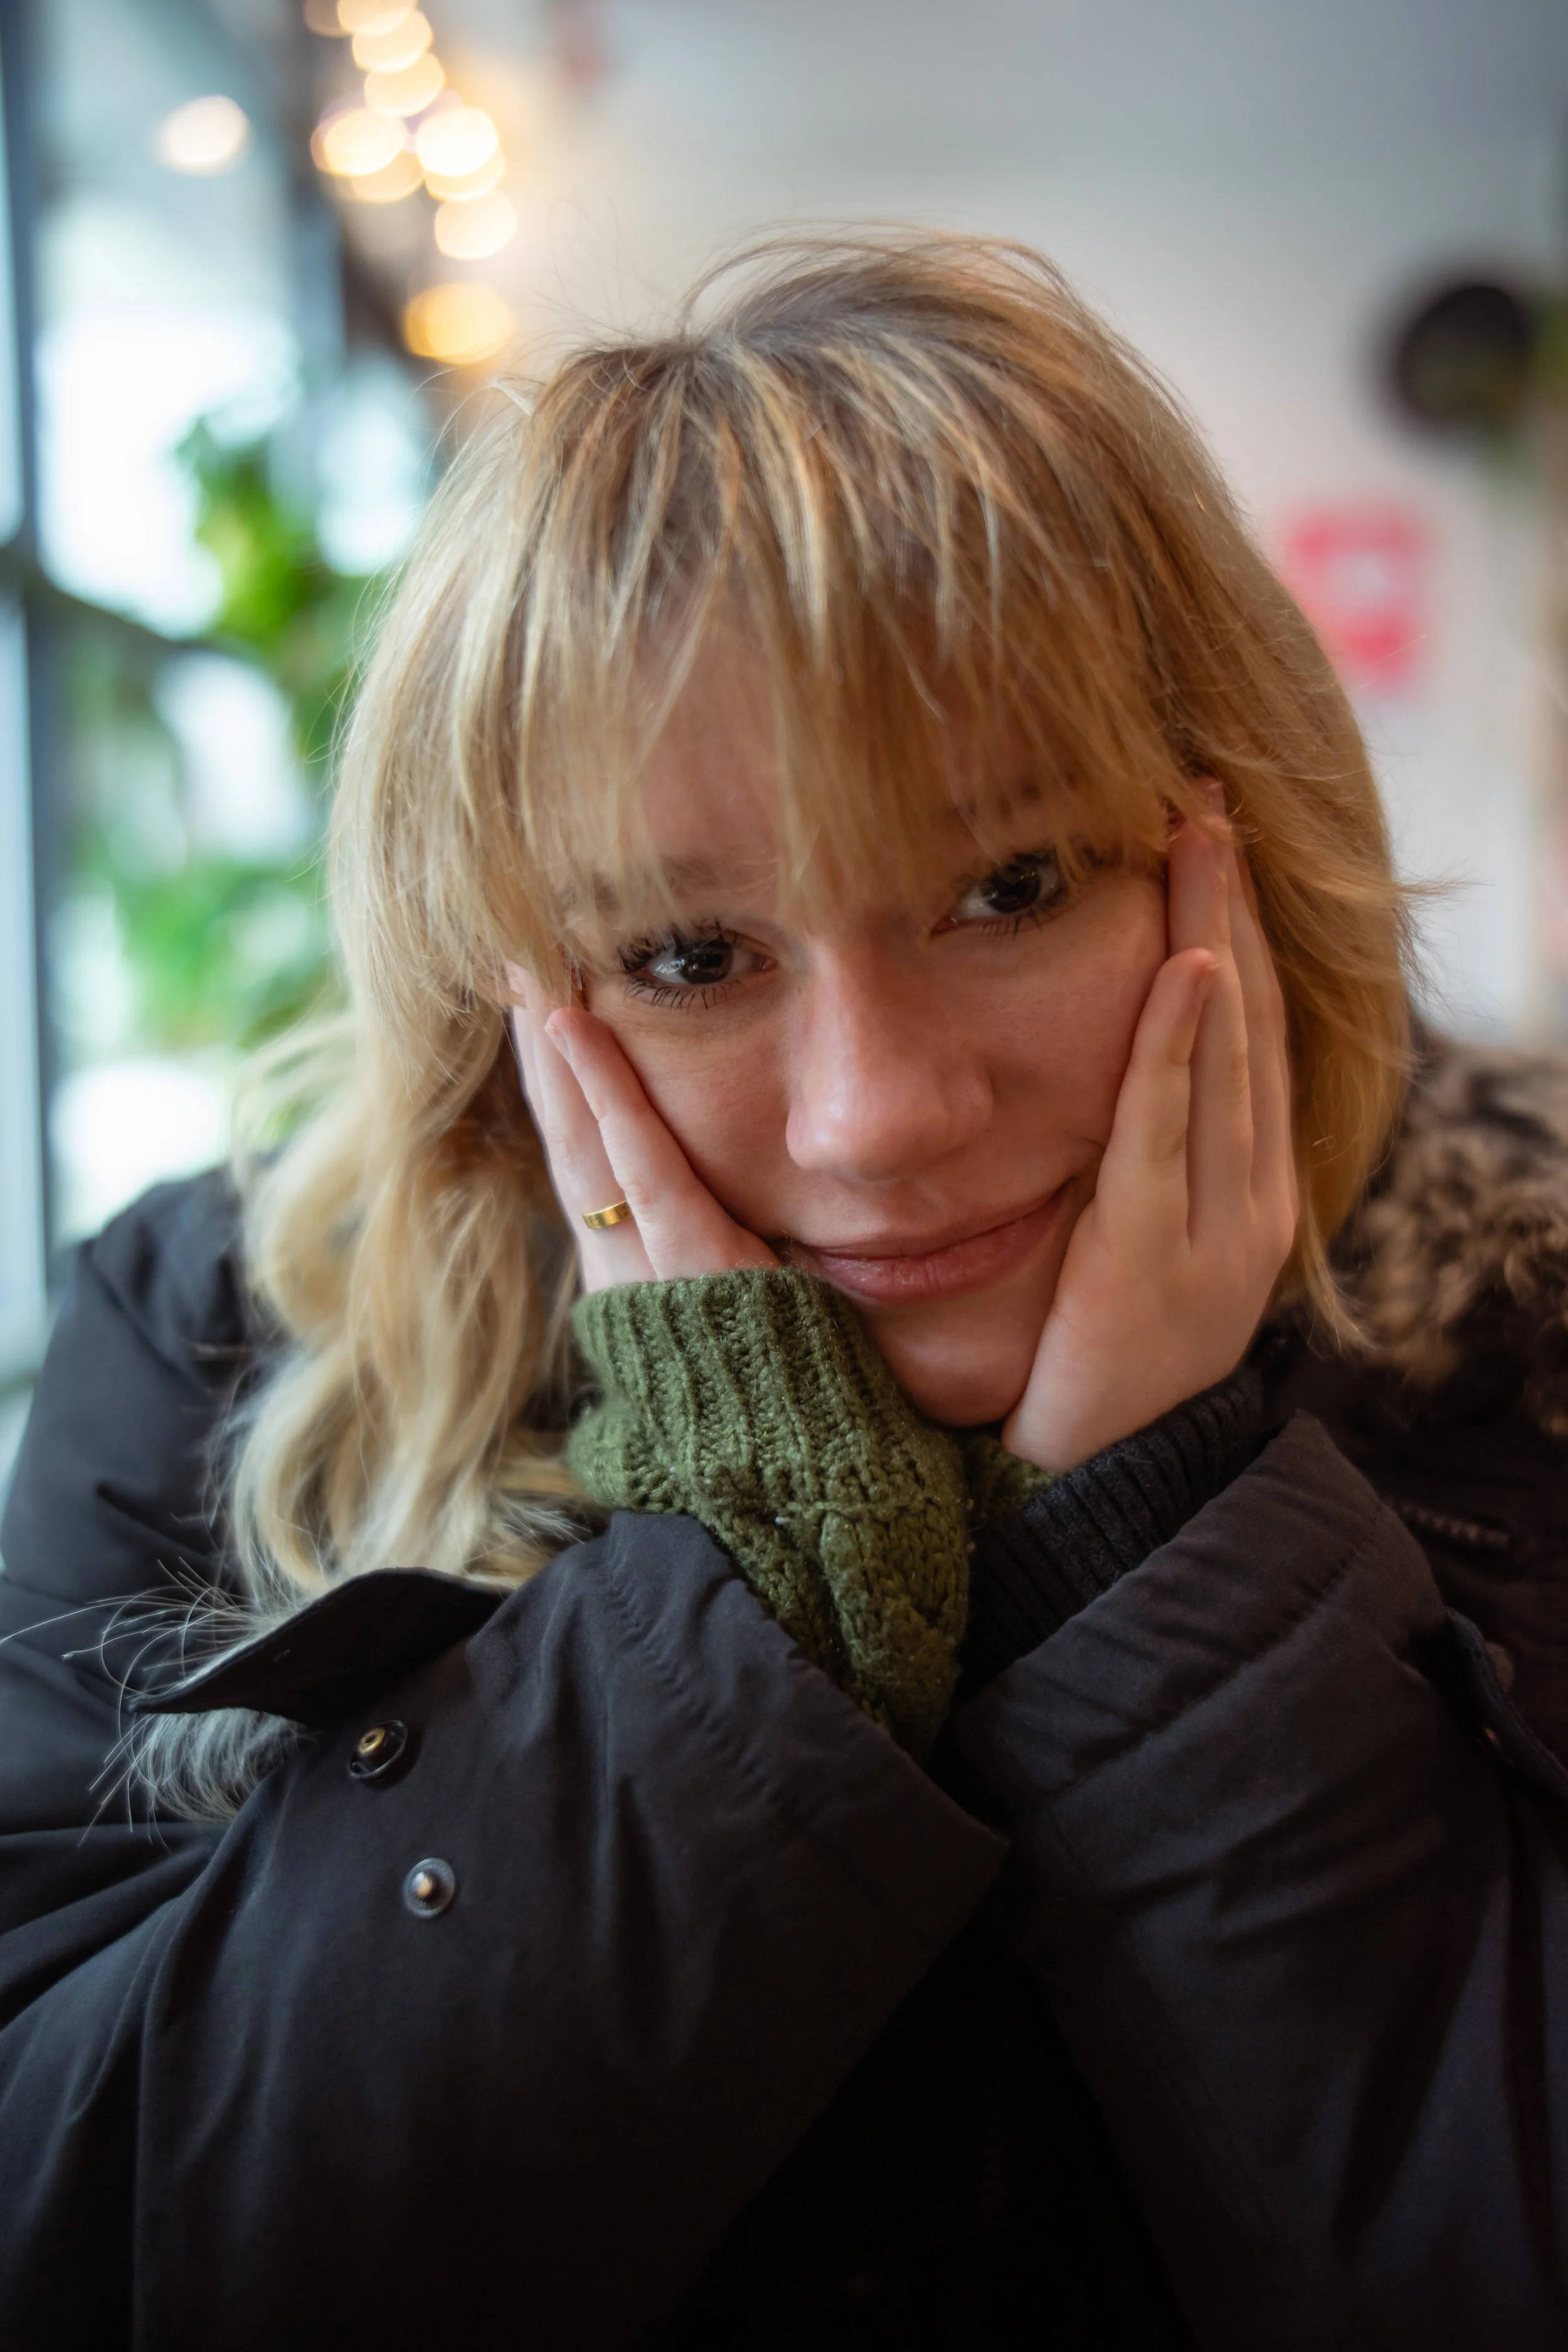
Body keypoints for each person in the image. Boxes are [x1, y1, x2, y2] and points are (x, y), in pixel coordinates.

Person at [1, 233, 1565, 2352]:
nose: (883, 1117)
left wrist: (1167, 1549)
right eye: (688, 956)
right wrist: (759, 1609)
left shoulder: (1521, 1301)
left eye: (1010, 886)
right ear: (497, 980)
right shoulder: (221, 1323)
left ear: (1241, 849)